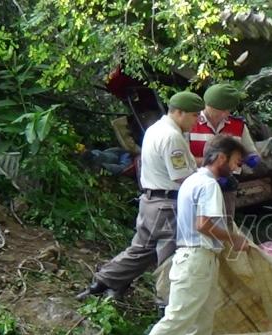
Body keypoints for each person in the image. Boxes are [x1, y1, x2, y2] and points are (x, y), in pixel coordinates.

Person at [118, 135, 250, 335]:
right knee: (178, 318)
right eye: (236, 162)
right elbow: (204, 224)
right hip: (196, 258)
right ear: (221, 158)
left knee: (201, 319)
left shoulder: (192, 180)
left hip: (195, 258)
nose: (237, 168)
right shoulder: (209, 185)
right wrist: (234, 239)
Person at [76, 91, 204, 300]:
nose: (197, 121)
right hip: (167, 204)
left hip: (151, 200)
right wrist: (206, 181)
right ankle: (165, 305)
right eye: (194, 116)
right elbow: (182, 177)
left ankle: (103, 283)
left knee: (142, 250)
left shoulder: (156, 129)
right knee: (169, 258)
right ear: (179, 112)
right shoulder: (172, 137)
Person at [187, 83, 260, 221]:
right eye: (222, 110)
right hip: (198, 186)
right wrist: (213, 167)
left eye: (229, 110)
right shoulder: (191, 123)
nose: (226, 114)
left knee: (225, 225)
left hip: (227, 186)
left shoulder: (238, 125)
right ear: (209, 106)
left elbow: (250, 151)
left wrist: (251, 158)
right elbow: (185, 158)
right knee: (201, 225)